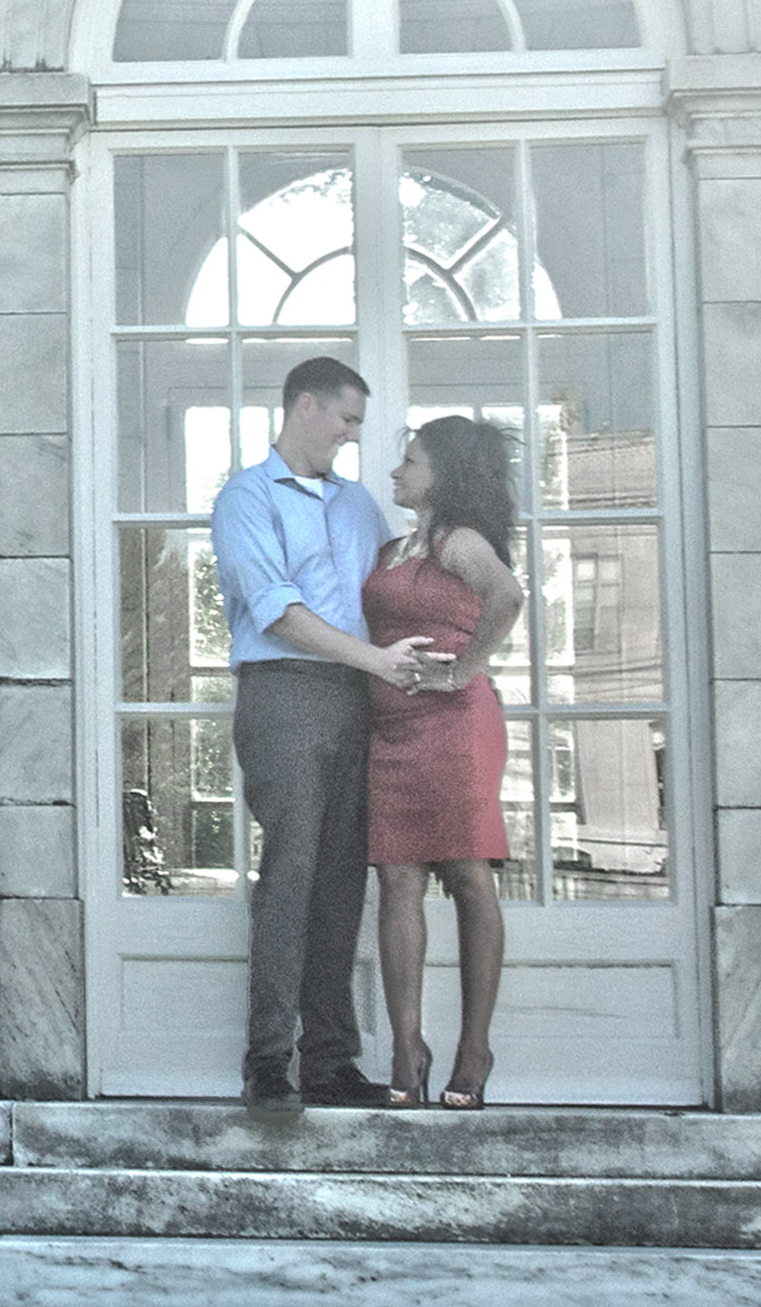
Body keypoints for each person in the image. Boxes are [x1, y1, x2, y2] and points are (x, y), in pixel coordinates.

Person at [207, 355, 444, 1109]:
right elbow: (276, 611)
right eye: (346, 419)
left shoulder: (356, 506)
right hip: (283, 694)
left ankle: (330, 1064)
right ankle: (267, 1064)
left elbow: (391, 592)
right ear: (304, 405)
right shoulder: (245, 497)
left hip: (358, 699)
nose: (352, 434)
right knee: (291, 874)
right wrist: (376, 660)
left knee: (342, 882)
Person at [366, 415, 527, 1109]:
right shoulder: (390, 549)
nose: (396, 472)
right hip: (389, 732)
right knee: (396, 882)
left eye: (411, 461)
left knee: (466, 875)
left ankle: (474, 1050)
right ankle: (407, 1049)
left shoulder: (459, 542)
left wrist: (462, 671)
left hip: (456, 727)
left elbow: (507, 596)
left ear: (445, 474)